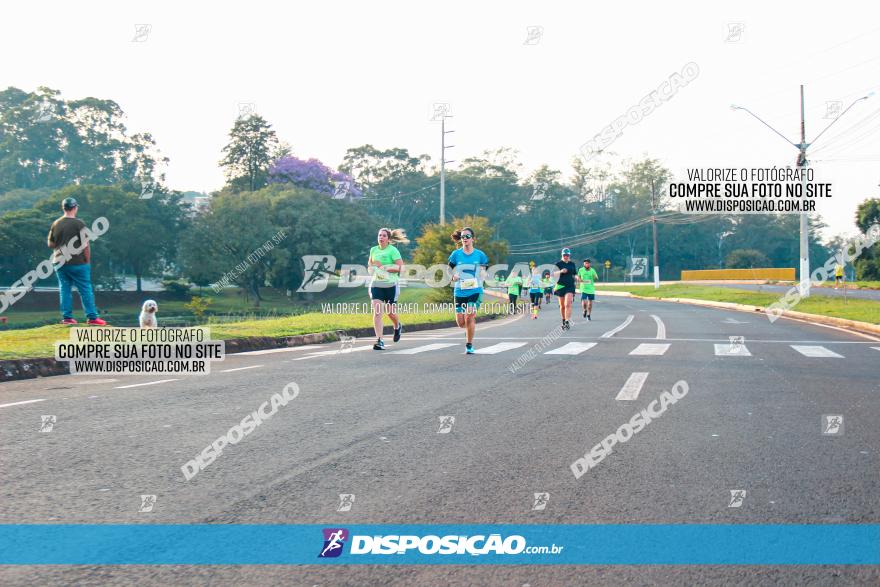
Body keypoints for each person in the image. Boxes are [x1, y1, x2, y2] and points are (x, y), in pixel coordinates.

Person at [47, 197, 106, 325]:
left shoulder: (56, 223)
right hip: (77, 263)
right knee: (85, 289)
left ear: (64, 208)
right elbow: (85, 244)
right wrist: (87, 261)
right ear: (75, 208)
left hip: (59, 262)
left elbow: (50, 244)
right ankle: (92, 318)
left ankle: (67, 318)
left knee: (65, 289)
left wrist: (62, 243)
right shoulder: (79, 223)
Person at [448, 226, 489, 355]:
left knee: (470, 315)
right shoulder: (456, 254)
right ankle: (468, 330)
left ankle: (469, 344)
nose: (464, 238)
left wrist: (483, 274)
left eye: (467, 236)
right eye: (462, 237)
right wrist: (453, 276)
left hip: (475, 290)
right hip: (460, 290)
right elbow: (449, 269)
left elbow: (484, 270)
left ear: (473, 239)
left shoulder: (480, 255)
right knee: (461, 322)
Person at [368, 227, 408, 350]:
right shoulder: (373, 250)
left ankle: (397, 326)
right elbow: (370, 265)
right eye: (379, 235)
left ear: (388, 239)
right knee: (378, 312)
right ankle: (379, 340)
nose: (381, 237)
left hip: (391, 285)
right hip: (377, 284)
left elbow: (401, 268)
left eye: (384, 235)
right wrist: (372, 270)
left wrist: (384, 267)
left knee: (390, 312)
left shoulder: (393, 251)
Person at [553, 248, 577, 330]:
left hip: (570, 286)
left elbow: (574, 274)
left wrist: (577, 278)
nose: (566, 256)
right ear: (562, 255)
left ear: (569, 255)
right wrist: (560, 271)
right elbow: (552, 274)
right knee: (562, 306)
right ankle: (563, 320)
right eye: (564, 255)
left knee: (568, 304)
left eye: (567, 255)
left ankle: (567, 321)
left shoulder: (572, 264)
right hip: (560, 286)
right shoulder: (558, 264)